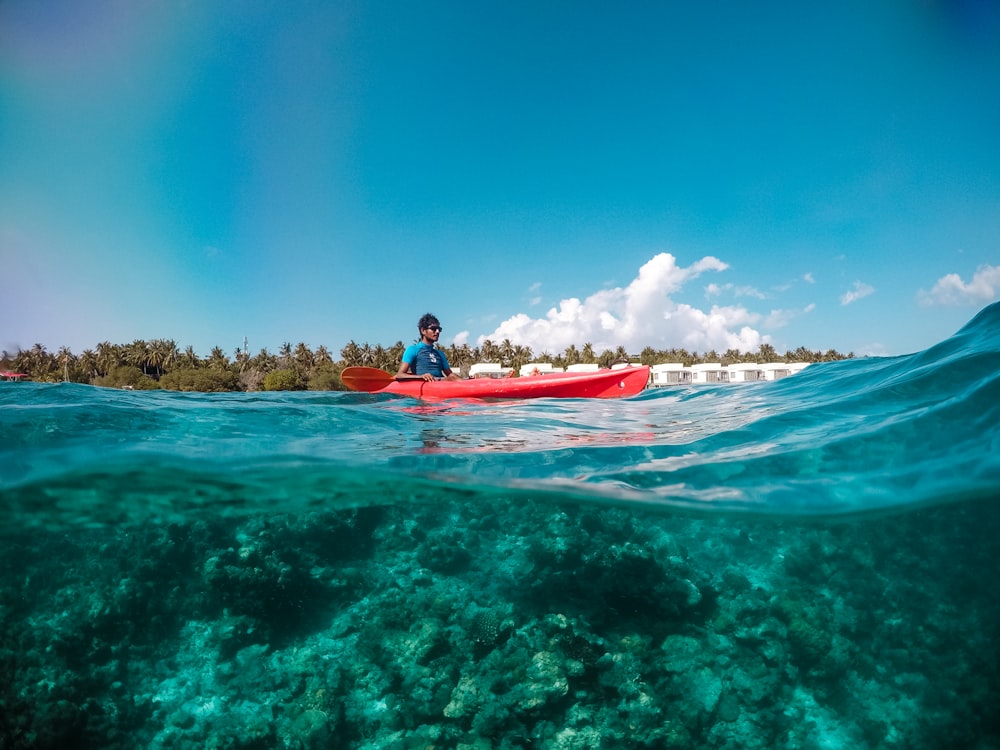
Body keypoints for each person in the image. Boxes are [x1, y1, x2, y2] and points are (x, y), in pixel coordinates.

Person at [397, 313, 461, 381]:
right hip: (425, 385)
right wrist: (421, 377)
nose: (437, 331)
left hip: (440, 384)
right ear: (423, 331)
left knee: (453, 376)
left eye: (439, 329)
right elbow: (400, 375)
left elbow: (450, 375)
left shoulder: (440, 353)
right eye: (433, 329)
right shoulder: (413, 349)